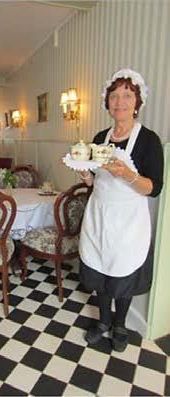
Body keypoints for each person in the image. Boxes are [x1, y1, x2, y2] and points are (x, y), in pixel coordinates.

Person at [78, 69, 164, 352]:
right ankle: (103, 321)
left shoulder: (149, 140)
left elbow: (154, 187)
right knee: (101, 272)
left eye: (127, 95)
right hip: (99, 215)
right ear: (107, 102)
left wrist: (127, 174)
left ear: (137, 101)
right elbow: (94, 180)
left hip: (128, 222)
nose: (120, 102)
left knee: (122, 274)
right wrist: (86, 177)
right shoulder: (100, 137)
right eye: (114, 96)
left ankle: (120, 325)